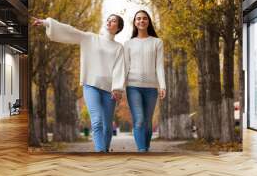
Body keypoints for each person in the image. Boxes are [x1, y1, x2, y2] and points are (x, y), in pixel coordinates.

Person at [32, 14, 126, 152]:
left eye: (113, 21)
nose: (109, 22)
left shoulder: (119, 47)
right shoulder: (90, 38)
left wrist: (117, 88)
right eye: (108, 19)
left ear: (118, 28)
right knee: (97, 121)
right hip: (91, 85)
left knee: (107, 126)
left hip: (109, 90)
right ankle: (100, 153)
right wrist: (47, 23)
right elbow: (70, 31)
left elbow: (120, 68)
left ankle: (105, 151)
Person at [124, 10, 166, 152]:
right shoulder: (128, 44)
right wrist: (118, 87)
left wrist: (162, 86)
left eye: (144, 18)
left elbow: (159, 65)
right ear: (135, 23)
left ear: (148, 21)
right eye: (138, 19)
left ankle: (145, 149)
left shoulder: (157, 42)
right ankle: (142, 151)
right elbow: (125, 67)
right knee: (140, 120)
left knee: (148, 122)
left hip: (151, 88)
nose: (141, 21)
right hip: (133, 86)